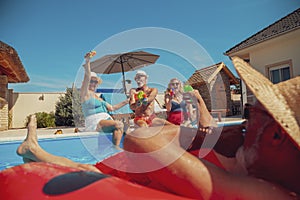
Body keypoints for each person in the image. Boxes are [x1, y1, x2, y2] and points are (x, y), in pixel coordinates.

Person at [16, 56, 300, 199]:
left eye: (250, 115)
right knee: (95, 170)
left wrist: (197, 133)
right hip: (146, 151)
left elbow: (141, 139)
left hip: (146, 149)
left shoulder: (264, 192)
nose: (244, 123)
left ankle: (33, 150)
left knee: (93, 172)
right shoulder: (249, 165)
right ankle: (33, 150)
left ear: (275, 135)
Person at [80, 52, 129, 146]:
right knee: (118, 125)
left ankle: (128, 148)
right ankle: (115, 150)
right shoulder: (85, 94)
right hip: (95, 121)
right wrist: (88, 61)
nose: (93, 83)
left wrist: (126, 101)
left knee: (126, 127)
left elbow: (112, 108)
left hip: (105, 119)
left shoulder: (98, 97)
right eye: (91, 81)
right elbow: (87, 75)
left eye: (95, 82)